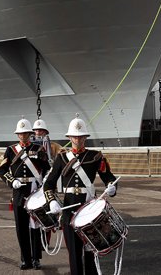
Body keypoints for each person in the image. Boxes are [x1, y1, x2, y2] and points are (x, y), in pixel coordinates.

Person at [44, 117, 117, 275]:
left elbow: (109, 177)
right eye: (75, 137)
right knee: (74, 252)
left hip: (89, 208)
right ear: (69, 138)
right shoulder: (61, 158)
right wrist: (51, 202)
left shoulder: (95, 157)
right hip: (69, 209)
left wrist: (112, 187)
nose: (78, 139)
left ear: (85, 137)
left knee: (91, 250)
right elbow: (48, 183)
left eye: (81, 136)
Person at [0, 118, 51, 270]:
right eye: (20, 133)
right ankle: (25, 259)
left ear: (29, 133)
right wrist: (11, 181)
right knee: (21, 228)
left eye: (25, 133)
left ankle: (36, 259)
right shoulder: (10, 150)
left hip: (34, 190)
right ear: (17, 134)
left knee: (35, 227)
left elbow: (47, 169)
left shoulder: (38, 149)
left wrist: (45, 181)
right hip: (19, 191)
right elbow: (1, 170)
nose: (23, 136)